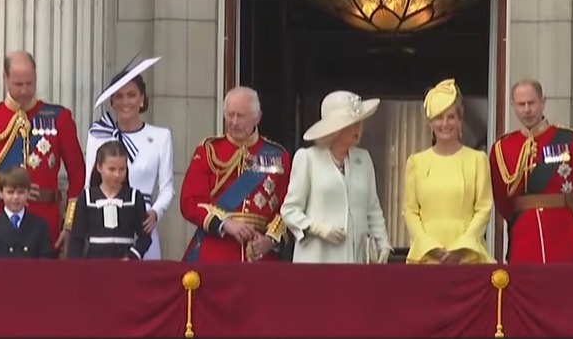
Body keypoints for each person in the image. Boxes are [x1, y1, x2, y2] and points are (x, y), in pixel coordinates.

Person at [0, 51, 87, 253]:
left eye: (30, 83)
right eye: (18, 84)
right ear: (5, 78)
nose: (25, 91)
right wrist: (0, 183)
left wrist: (69, 224)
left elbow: (78, 176)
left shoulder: (59, 117)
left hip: (46, 221)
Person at [489, 79, 573, 264]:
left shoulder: (571, 140)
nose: (527, 110)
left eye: (531, 103)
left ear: (543, 102)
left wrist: (572, 216)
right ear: (513, 106)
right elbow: (502, 201)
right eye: (521, 104)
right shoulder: (502, 148)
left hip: (564, 234)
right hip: (524, 236)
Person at [179, 87, 290, 263]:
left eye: (241, 115)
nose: (234, 122)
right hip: (216, 251)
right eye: (230, 115)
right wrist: (225, 224)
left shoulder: (278, 156)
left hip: (260, 255)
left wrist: (270, 240)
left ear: (257, 118)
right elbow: (189, 201)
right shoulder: (208, 150)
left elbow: (288, 207)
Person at [281, 91, 392, 264]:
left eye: (359, 122)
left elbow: (373, 209)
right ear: (335, 128)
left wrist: (383, 242)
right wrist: (317, 228)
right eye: (352, 124)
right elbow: (289, 211)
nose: (358, 128)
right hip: (317, 259)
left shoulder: (363, 159)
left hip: (355, 261)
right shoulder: (308, 158)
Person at [81, 57, 174, 260]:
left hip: (143, 221)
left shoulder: (161, 136)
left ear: (142, 99)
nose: (125, 102)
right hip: (104, 224)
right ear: (112, 101)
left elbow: (167, 187)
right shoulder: (99, 134)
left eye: (131, 95)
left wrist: (156, 212)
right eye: (119, 96)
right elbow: (88, 182)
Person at [402, 79, 495, 264]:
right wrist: (430, 248)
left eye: (451, 117)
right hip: (426, 258)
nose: (445, 123)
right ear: (430, 123)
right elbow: (410, 211)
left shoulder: (478, 160)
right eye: (438, 117)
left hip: (468, 258)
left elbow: (483, 209)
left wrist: (461, 249)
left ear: (460, 120)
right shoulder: (416, 163)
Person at [67, 141, 153, 260]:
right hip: (94, 265)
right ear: (99, 167)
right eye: (111, 169)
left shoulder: (134, 197)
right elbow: (77, 239)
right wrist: (74, 268)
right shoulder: (86, 197)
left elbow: (145, 237)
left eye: (122, 169)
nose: (117, 175)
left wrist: (132, 255)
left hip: (125, 264)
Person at [0, 167, 53, 259]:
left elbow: (45, 261)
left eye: (21, 192)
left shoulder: (40, 225)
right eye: (10, 192)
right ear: (0, 193)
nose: (16, 197)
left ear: (28, 193)